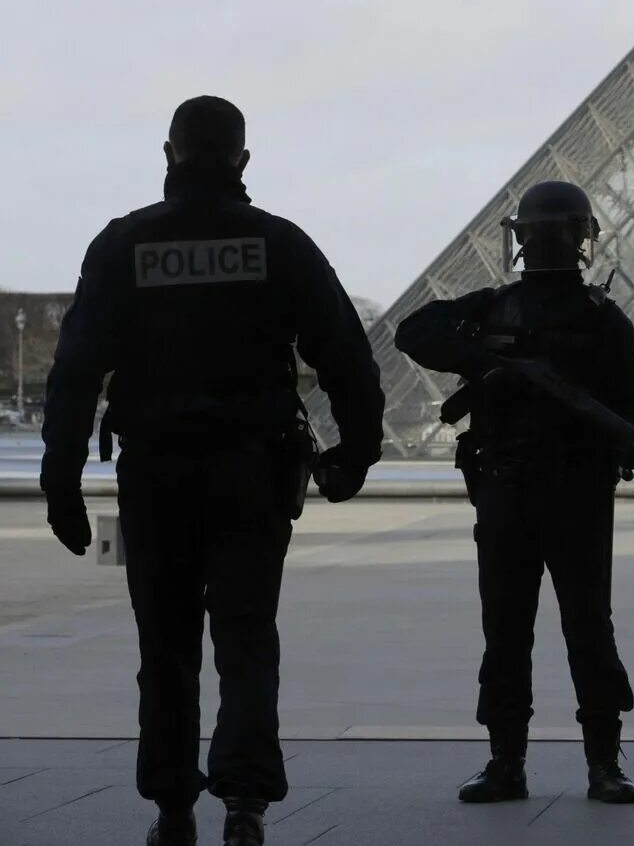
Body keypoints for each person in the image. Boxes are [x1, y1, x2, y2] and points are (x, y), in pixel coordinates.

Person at [40, 95, 385, 846]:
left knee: (163, 648)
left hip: (155, 473)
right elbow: (346, 358)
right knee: (247, 640)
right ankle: (246, 803)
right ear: (243, 161)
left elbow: (73, 373)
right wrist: (356, 451)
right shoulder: (280, 243)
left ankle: (171, 806)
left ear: (169, 155)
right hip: (250, 471)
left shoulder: (123, 245)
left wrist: (59, 479)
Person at [393, 180, 634, 806]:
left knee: (567, 628)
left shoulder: (591, 317)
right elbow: (414, 331)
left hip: (557, 490)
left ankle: (569, 761)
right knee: (525, 629)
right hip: (522, 491)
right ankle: (530, 762)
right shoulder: (497, 310)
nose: (543, 242)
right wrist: (490, 366)